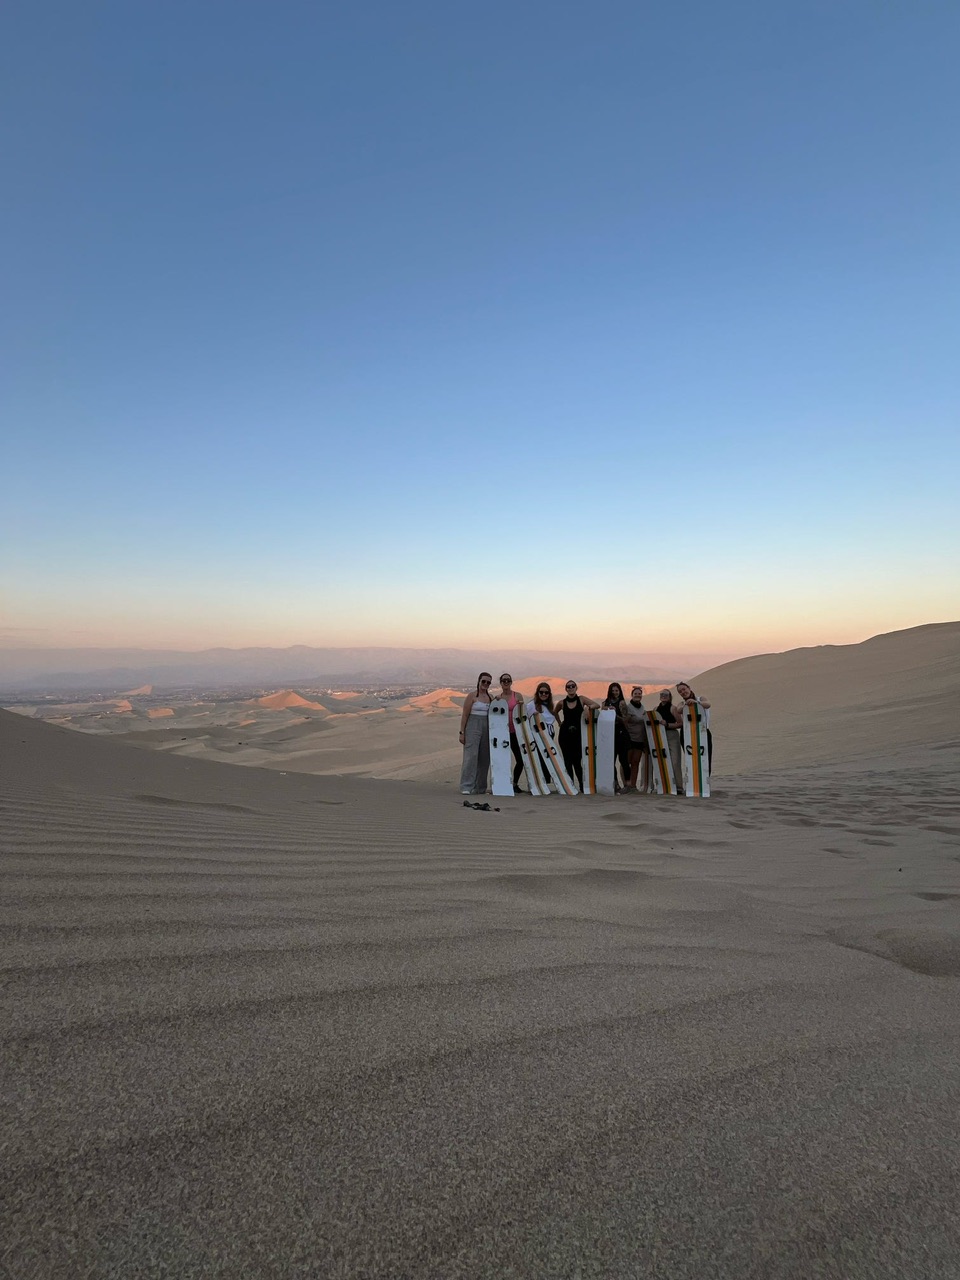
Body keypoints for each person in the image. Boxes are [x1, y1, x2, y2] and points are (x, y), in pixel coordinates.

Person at [554, 679, 600, 791]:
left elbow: (596, 705)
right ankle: (570, 785)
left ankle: (581, 785)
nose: (570, 688)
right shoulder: (562, 703)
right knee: (567, 761)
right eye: (568, 686)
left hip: (578, 735)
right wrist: (560, 723)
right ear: (566, 689)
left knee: (577, 760)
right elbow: (555, 712)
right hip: (565, 735)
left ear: (576, 688)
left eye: (572, 686)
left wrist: (587, 708)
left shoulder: (581, 699)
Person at [458, 672, 493, 794]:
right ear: (479, 681)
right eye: (484, 681)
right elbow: (465, 715)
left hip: (487, 727)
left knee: (485, 758)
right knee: (471, 756)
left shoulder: (490, 697)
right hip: (473, 726)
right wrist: (462, 732)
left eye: (488, 682)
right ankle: (466, 786)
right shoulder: (471, 696)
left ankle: (480, 787)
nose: (485, 684)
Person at [497, 673, 525, 791]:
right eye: (504, 680)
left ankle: (514, 783)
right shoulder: (497, 698)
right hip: (502, 734)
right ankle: (502, 783)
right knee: (502, 760)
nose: (506, 682)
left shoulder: (517, 696)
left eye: (508, 680)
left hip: (515, 733)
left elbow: (523, 713)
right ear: (501, 682)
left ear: (511, 682)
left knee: (520, 760)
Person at [676, 681, 713, 773]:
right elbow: (679, 710)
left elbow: (708, 704)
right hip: (687, 734)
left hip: (703, 732)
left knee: (705, 757)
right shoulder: (681, 703)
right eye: (680, 691)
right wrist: (686, 704)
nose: (683, 692)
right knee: (690, 758)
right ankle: (693, 781)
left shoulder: (700, 698)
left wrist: (696, 702)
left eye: (684, 689)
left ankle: (705, 781)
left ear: (689, 688)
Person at [602, 682, 632, 792]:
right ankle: (615, 783)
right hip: (610, 733)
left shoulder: (622, 703)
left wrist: (615, 714)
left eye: (617, 690)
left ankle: (628, 784)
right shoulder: (605, 702)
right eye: (613, 690)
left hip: (621, 733)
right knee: (611, 760)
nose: (615, 692)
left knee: (624, 760)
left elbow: (625, 720)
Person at [620, 686, 650, 793]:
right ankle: (626, 784)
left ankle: (633, 786)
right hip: (629, 738)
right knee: (626, 762)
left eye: (639, 694)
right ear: (632, 695)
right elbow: (624, 722)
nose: (638, 695)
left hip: (639, 739)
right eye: (636, 694)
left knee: (635, 762)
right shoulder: (628, 708)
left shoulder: (642, 708)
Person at [526, 682, 558, 781]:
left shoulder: (550, 705)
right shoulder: (531, 705)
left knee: (548, 757)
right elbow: (526, 719)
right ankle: (539, 780)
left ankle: (547, 780)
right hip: (537, 735)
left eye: (546, 693)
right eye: (541, 692)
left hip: (549, 734)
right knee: (539, 758)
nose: (544, 694)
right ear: (537, 693)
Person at [656, 689, 685, 792]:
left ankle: (678, 786)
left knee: (675, 761)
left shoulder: (673, 708)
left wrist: (668, 724)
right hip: (659, 736)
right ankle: (664, 785)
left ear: (669, 697)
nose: (664, 696)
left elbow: (681, 723)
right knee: (661, 761)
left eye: (666, 695)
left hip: (672, 735)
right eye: (662, 694)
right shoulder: (656, 709)